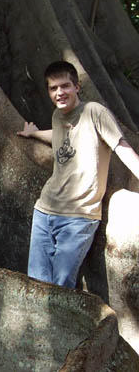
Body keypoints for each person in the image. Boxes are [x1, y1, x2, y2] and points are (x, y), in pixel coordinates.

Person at [17, 60, 139, 289]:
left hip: (79, 217)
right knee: (37, 284)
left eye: (65, 86)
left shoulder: (94, 112)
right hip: (44, 211)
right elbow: (58, 135)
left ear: (77, 87)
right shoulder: (57, 116)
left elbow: (122, 148)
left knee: (63, 286)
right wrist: (33, 133)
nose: (59, 93)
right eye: (53, 88)